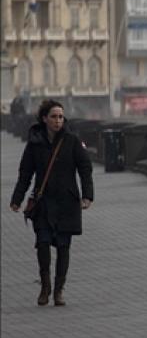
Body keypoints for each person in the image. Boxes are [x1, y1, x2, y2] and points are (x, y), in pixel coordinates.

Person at [9, 99, 94, 306]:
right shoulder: (35, 142)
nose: (58, 121)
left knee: (64, 247)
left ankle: (59, 290)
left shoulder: (72, 140)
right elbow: (25, 173)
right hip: (43, 202)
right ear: (44, 118)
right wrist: (17, 199)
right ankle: (45, 286)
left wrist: (87, 196)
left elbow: (85, 168)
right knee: (43, 243)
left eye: (61, 117)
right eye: (54, 117)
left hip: (67, 202)